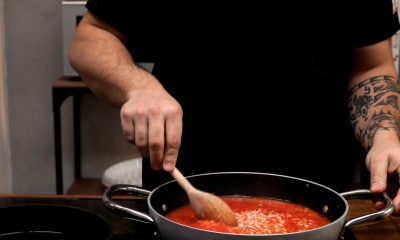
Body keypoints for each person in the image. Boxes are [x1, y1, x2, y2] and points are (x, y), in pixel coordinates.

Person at [69, 0, 400, 214]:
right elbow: (92, 37)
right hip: (185, 195)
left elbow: (371, 66)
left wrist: (384, 135)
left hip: (321, 201)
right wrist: (138, 86)